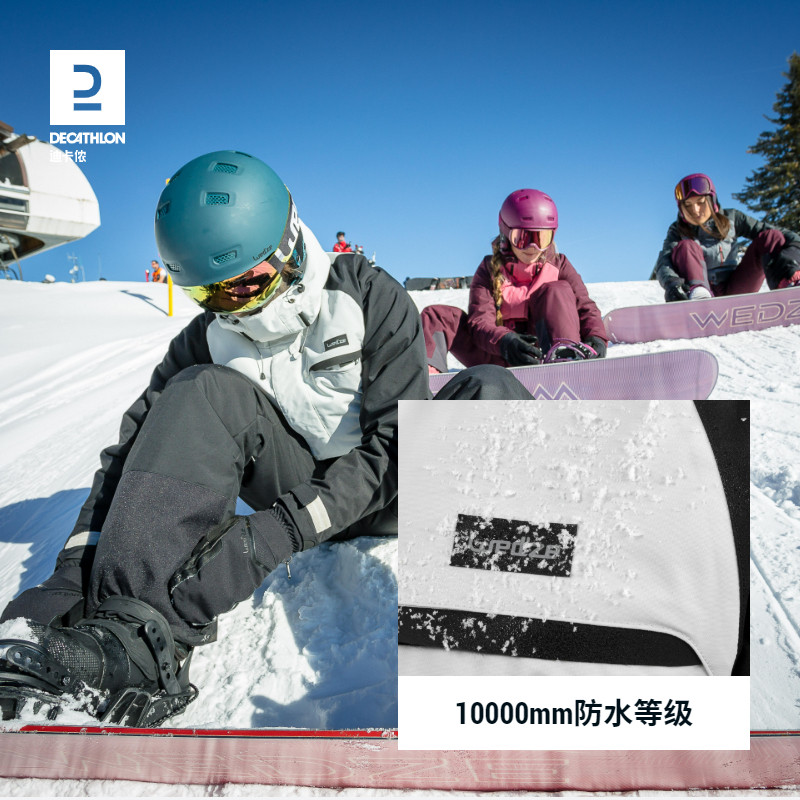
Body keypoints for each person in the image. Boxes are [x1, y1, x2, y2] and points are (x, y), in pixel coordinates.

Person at [0, 151, 530, 728]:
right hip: (298, 483)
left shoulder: (368, 296)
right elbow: (128, 460)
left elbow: (397, 443)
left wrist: (274, 534)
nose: (236, 307)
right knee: (198, 389)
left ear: (289, 247)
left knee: (492, 389)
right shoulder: (206, 340)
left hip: (399, 490)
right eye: (212, 295)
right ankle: (133, 645)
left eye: (247, 284)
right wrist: (64, 585)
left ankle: (526, 643)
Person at [421, 189, 608, 374]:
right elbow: (480, 321)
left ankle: (565, 361)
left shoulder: (560, 265)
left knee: (557, 290)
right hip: (499, 355)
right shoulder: (489, 269)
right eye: (523, 238)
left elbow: (585, 307)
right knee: (437, 316)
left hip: (543, 353)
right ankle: (428, 376)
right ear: (506, 233)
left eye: (542, 238)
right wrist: (505, 341)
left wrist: (596, 337)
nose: (533, 248)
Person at [654, 173, 800, 301]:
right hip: (701, 290)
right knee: (686, 246)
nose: (695, 210)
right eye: (688, 205)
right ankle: (699, 296)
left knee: (771, 236)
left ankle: (788, 286)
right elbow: (664, 262)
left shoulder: (733, 218)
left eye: (700, 203)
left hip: (736, 287)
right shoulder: (677, 229)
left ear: (711, 200)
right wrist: (672, 284)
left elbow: (781, 236)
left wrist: (794, 251)